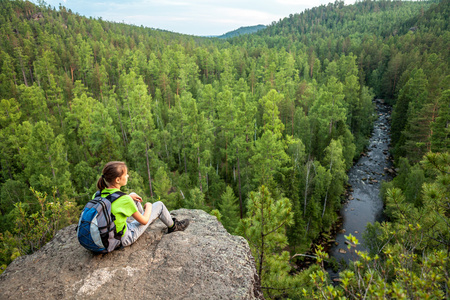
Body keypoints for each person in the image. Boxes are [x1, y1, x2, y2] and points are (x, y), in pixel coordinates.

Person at [96, 161, 189, 248]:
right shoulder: (124, 199)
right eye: (125, 174)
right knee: (159, 205)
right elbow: (144, 221)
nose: (127, 176)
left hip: (105, 236)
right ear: (117, 180)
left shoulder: (98, 194)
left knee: (133, 197)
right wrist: (149, 206)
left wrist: (129, 197)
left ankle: (143, 216)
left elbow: (113, 205)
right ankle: (174, 226)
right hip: (122, 238)